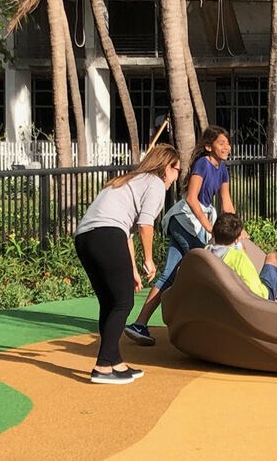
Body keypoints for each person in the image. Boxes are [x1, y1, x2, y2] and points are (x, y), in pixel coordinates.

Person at [74, 143, 181, 384]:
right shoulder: (154, 184)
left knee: (110, 302)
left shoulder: (128, 180)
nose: (176, 177)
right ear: (166, 167)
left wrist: (132, 268)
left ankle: (114, 361)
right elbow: (145, 225)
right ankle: (102, 366)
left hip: (86, 237)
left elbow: (126, 232)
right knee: (123, 301)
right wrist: (149, 259)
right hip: (107, 234)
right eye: (176, 170)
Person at [125, 126, 236, 345]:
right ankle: (206, 325)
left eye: (227, 143)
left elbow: (227, 201)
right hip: (185, 220)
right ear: (208, 146)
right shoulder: (203, 164)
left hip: (196, 222)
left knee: (170, 274)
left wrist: (237, 230)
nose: (226, 147)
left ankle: (139, 323)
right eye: (221, 143)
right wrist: (210, 228)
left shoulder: (222, 169)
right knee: (206, 266)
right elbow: (192, 199)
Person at [209, 212, 277, 305]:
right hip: (259, 300)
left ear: (213, 232)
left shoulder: (207, 253)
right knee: (274, 257)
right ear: (236, 239)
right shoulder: (238, 258)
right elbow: (257, 293)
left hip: (225, 300)